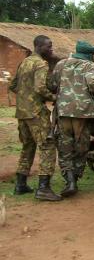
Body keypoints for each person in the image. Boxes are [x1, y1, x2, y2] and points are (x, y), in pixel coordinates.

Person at [48, 40, 94, 197]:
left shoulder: (61, 64)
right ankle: (76, 178)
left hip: (63, 111)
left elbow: (52, 85)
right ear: (89, 55)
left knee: (65, 145)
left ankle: (69, 180)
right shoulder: (89, 66)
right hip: (82, 113)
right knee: (81, 145)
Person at [9, 35, 61, 201]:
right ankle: (44, 188)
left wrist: (25, 97)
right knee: (47, 146)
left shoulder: (24, 62)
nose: (51, 50)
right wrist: (54, 98)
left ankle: (20, 184)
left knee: (28, 147)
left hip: (22, 113)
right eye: (49, 46)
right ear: (39, 46)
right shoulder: (40, 63)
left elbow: (13, 85)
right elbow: (40, 88)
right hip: (36, 113)